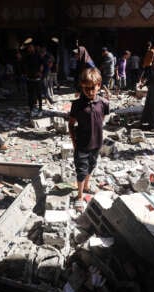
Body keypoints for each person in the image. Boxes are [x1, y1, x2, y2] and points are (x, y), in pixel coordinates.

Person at [68, 68, 109, 212]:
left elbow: (101, 119)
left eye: (93, 88)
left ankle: (86, 186)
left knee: (91, 165)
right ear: (82, 86)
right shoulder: (77, 105)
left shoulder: (103, 103)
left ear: (99, 85)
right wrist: (74, 142)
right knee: (81, 170)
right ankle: (79, 196)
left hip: (96, 143)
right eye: (86, 88)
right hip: (82, 144)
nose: (90, 92)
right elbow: (71, 124)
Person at [22, 41, 44, 116]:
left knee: (39, 94)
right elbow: (24, 65)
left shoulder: (38, 55)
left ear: (33, 48)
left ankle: (40, 109)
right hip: (29, 78)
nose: (30, 49)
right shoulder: (27, 56)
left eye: (31, 47)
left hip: (37, 79)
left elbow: (42, 64)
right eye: (28, 48)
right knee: (30, 95)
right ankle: (31, 109)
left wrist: (40, 72)